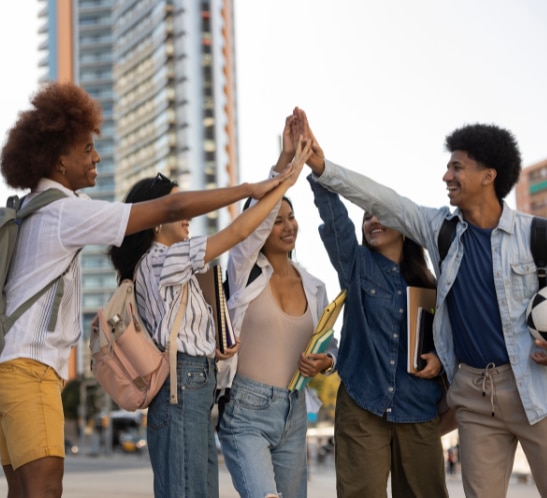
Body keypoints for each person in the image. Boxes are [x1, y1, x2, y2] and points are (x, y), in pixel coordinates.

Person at [0, 81, 296, 498]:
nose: (97, 157)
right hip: (30, 366)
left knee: (23, 491)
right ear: (59, 159)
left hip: (11, 367)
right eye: (87, 148)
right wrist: (254, 187)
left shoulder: (35, 212)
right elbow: (177, 209)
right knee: (43, 490)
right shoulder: (63, 211)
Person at [300, 107, 547, 498]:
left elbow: (441, 330)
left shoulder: (532, 236)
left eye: (457, 167)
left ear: (488, 175)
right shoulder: (439, 233)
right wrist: (321, 168)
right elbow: (373, 203)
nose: (446, 176)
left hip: (529, 389)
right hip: (456, 398)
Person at [109, 133, 311, 498]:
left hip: (194, 384)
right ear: (156, 219)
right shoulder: (160, 260)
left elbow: (179, 329)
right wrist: (283, 182)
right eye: (177, 207)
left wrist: (211, 350)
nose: (186, 214)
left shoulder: (168, 265)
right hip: (182, 386)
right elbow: (239, 232)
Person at [216, 114, 338, 498]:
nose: (287, 226)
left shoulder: (315, 287)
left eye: (291, 217)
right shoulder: (244, 270)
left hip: (294, 409)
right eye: (276, 220)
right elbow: (253, 220)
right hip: (245, 411)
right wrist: (285, 163)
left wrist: (327, 362)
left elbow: (329, 345)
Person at [309, 172, 448, 497]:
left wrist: (440, 359)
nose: (372, 221)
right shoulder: (356, 265)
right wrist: (318, 170)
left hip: (418, 408)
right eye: (366, 216)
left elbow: (452, 339)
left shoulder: (431, 284)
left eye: (380, 213)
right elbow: (335, 222)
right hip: (362, 404)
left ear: (404, 225)